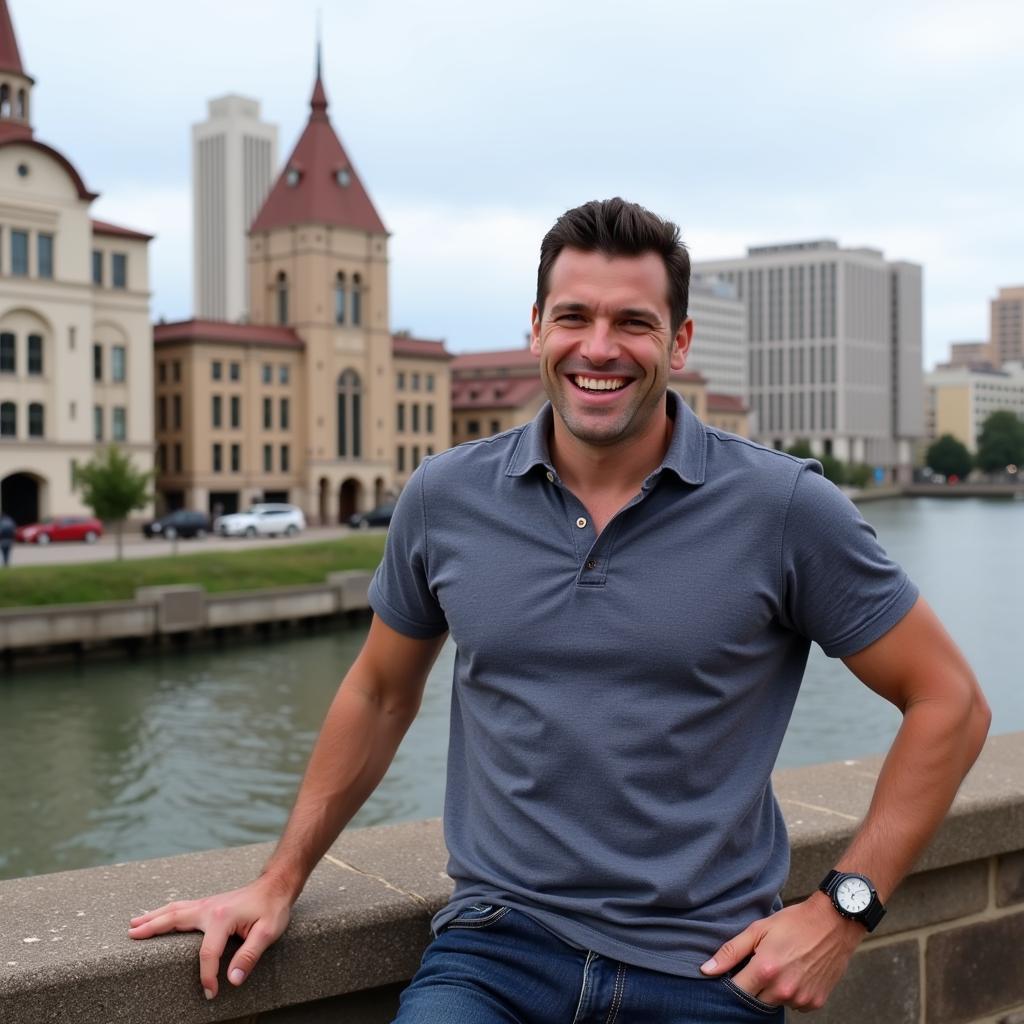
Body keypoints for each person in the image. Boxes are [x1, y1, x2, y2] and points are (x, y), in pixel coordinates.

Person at [129, 199, 989, 1020]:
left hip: (706, 967)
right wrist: (281, 877)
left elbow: (950, 702)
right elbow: (380, 696)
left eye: (634, 323)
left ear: (679, 340)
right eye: (574, 316)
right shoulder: (444, 497)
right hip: (496, 951)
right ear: (535, 328)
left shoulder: (786, 507)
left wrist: (844, 911)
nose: (600, 348)